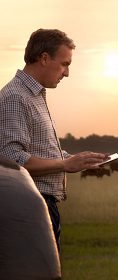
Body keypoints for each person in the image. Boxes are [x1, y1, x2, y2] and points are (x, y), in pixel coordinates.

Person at [0, 29, 109, 253]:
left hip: (39, 205)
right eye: (64, 64)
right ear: (44, 58)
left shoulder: (33, 96)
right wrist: (63, 165)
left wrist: (78, 159)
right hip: (28, 206)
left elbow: (36, 150)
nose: (67, 73)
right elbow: (11, 161)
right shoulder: (15, 98)